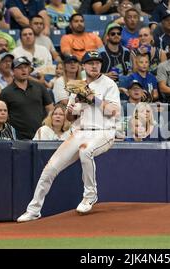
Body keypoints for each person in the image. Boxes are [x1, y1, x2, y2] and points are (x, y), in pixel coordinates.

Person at [17, 50, 120, 222]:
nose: (94, 65)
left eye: (97, 62)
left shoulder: (108, 84)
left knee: (85, 152)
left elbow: (113, 111)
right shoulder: (77, 85)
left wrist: (92, 98)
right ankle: (34, 209)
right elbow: (70, 118)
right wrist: (72, 110)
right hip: (80, 131)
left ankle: (90, 196)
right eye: (90, 62)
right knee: (50, 168)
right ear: (84, 66)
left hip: (104, 132)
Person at [0, 56, 54, 140]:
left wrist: (47, 127)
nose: (24, 70)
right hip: (18, 138)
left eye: (26, 67)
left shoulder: (39, 87)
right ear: (13, 71)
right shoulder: (6, 93)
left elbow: (50, 109)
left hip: (41, 135)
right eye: (20, 68)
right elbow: (3, 116)